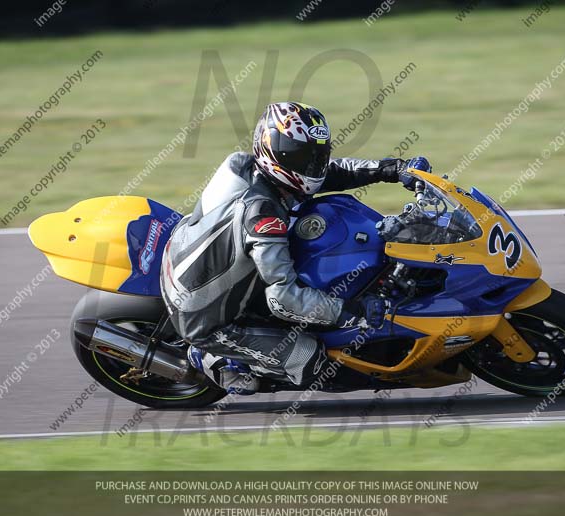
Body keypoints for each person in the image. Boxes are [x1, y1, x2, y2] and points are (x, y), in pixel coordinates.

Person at [160, 102, 431, 393]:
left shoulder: (246, 165)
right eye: (302, 156)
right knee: (310, 359)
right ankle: (209, 357)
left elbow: (334, 172)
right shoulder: (263, 216)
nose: (313, 165)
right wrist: (352, 311)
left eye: (317, 154)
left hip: (192, 255)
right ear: (277, 153)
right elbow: (283, 298)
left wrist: (392, 169)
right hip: (205, 315)